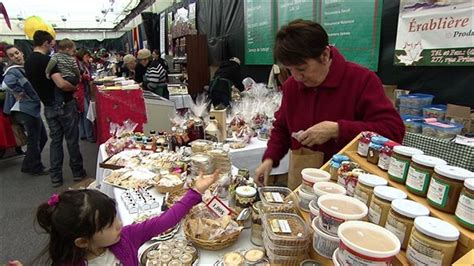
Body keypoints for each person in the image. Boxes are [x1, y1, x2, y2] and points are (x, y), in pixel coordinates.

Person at [255, 20, 405, 189]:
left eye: (302, 69)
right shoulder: (292, 86)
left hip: (348, 184)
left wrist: (337, 129)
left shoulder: (361, 80)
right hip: (303, 180)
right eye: (290, 70)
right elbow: (282, 128)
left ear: (325, 55)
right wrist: (269, 159)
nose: (296, 77)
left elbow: (394, 130)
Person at [35, 171, 218, 265]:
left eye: (116, 218)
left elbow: (165, 220)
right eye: (110, 225)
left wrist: (195, 192)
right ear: (82, 241)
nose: (120, 224)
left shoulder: (127, 236)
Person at [24, 30, 87, 187]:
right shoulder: (47, 60)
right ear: (46, 43)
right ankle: (78, 173)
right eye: (51, 42)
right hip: (64, 105)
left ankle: (56, 177)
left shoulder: (28, 61)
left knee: (56, 142)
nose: (53, 45)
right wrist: (73, 87)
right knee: (72, 140)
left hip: (48, 106)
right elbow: (61, 84)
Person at [2, 45, 48, 175]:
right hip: (24, 109)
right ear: (9, 58)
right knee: (35, 139)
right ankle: (35, 167)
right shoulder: (13, 70)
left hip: (31, 108)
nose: (16, 56)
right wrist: (18, 92)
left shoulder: (24, 68)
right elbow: (5, 85)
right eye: (11, 55)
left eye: (17, 53)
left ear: (21, 52)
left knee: (41, 138)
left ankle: (29, 164)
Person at [45, 38, 81, 107]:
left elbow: (51, 64)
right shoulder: (72, 59)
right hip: (72, 78)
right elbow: (76, 69)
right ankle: (72, 99)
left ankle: (60, 103)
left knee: (58, 90)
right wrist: (78, 77)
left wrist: (47, 72)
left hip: (64, 77)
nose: (74, 53)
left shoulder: (56, 56)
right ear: (67, 49)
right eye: (73, 51)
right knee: (69, 89)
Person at [75, 49, 95, 142]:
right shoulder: (77, 64)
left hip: (83, 90)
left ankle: (83, 133)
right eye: (86, 56)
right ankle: (89, 135)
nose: (88, 58)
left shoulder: (82, 64)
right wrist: (85, 76)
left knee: (83, 113)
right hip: (80, 91)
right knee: (86, 113)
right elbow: (78, 77)